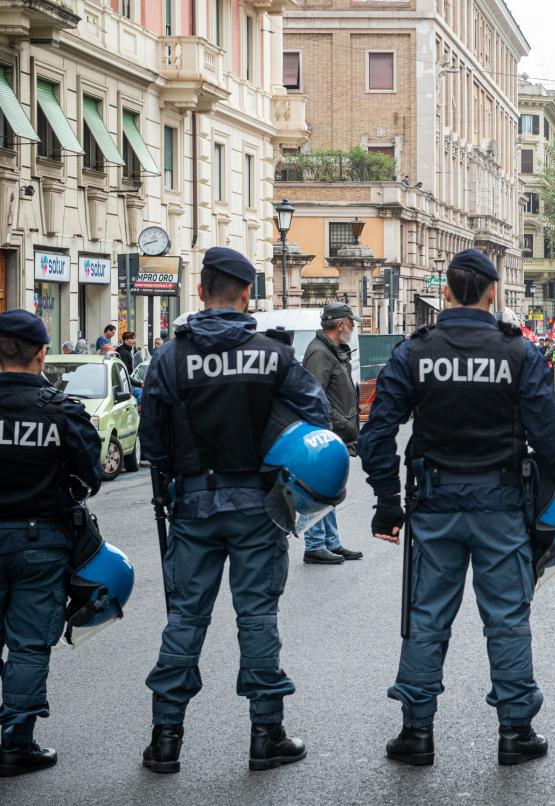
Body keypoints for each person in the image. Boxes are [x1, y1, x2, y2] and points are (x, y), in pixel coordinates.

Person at [359, 249, 555, 767]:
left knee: (427, 615)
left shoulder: (414, 352)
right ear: (493, 292)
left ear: (447, 293)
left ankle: (416, 733)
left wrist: (388, 497)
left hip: (434, 502)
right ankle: (515, 731)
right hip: (501, 503)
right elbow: (549, 432)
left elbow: (377, 432)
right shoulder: (518, 353)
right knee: (506, 619)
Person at [139, 248, 331, 774]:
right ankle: (266, 734)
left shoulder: (169, 357)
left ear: (200, 292)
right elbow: (316, 417)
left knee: (184, 619)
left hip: (194, 504)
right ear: (247, 294)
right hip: (257, 503)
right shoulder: (272, 354)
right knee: (258, 618)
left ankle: (165, 739)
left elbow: (151, 443)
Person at [0, 310, 102, 777]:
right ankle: (17, 744)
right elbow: (91, 477)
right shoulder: (62, 411)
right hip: (42, 543)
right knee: (29, 645)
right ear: (41, 353)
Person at [300, 302, 364, 565]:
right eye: (351, 322)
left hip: (333, 432)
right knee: (318, 488)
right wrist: (344, 424)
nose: (353, 327)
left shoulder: (332, 351)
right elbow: (315, 399)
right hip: (324, 433)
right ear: (340, 324)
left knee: (329, 488)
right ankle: (315, 544)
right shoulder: (319, 353)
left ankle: (331, 542)